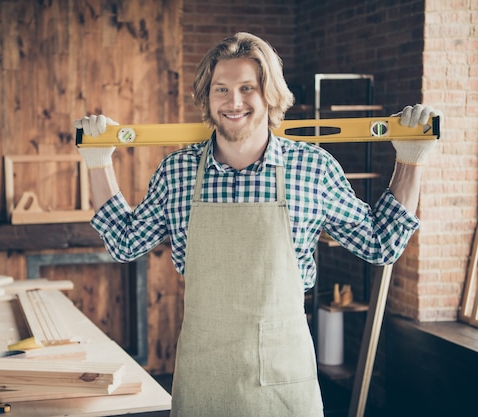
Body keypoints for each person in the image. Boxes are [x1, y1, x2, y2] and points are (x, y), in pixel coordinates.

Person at [75, 32, 441, 417]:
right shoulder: (178, 172)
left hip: (285, 386)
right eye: (222, 89)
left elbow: (380, 244)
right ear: (207, 97)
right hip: (203, 384)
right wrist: (99, 163)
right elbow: (124, 242)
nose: (234, 102)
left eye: (247, 88)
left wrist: (410, 161)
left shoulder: (311, 169)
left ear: (269, 95)